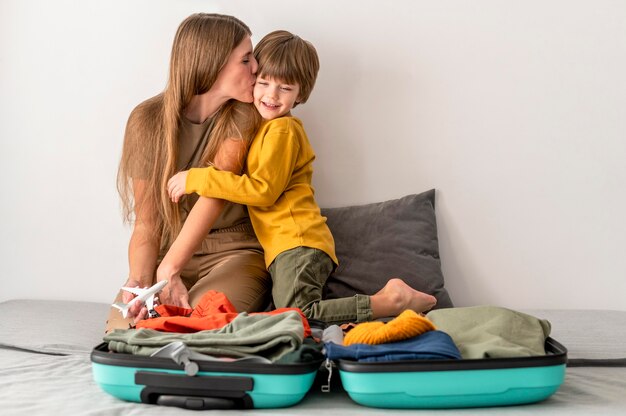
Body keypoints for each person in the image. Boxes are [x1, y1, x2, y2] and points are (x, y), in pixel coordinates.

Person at [167, 30, 437, 325]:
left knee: (298, 314)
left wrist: (197, 179)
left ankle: (391, 300)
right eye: (264, 83)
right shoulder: (266, 129)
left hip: (297, 242)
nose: (271, 95)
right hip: (289, 246)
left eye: (284, 88)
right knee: (295, 309)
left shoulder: (284, 131)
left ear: (301, 93)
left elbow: (262, 191)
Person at [106, 13, 272, 333]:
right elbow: (147, 222)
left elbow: (214, 193)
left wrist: (169, 269)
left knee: (196, 322)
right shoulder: (147, 120)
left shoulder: (245, 113)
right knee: (123, 329)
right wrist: (140, 282)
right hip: (169, 257)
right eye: (246, 59)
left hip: (233, 252)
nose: (257, 69)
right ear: (212, 63)